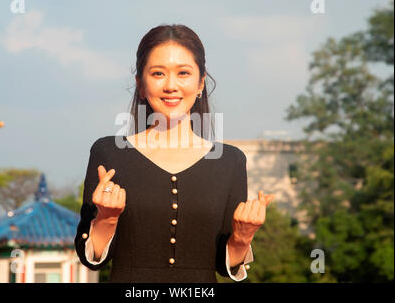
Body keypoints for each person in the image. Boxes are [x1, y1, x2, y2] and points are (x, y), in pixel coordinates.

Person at [74, 24, 275, 283]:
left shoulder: (230, 162)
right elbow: (91, 258)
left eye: (183, 73)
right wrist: (106, 217)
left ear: (201, 82)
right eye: (158, 73)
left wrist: (243, 236)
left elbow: (227, 266)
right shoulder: (109, 154)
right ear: (140, 85)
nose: (171, 86)